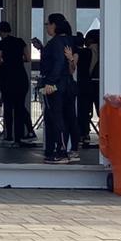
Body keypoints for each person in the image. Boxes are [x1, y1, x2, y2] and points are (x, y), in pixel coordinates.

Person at [37, 15, 75, 164]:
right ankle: (58, 149)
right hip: (66, 83)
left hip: (55, 84)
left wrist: (50, 82)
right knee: (62, 116)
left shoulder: (55, 42)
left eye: (48, 24)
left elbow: (58, 63)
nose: (47, 27)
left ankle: (61, 150)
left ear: (54, 25)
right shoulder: (68, 41)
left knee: (55, 116)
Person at [0, 22, 32, 145]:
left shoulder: (1, 44)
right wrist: (17, 59)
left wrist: (6, 61)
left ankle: (9, 135)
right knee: (20, 107)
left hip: (8, 79)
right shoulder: (20, 42)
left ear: (0, 31)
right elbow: (27, 58)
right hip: (21, 77)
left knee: (8, 108)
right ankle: (20, 136)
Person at [77, 30, 100, 147]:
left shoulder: (84, 52)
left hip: (85, 85)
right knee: (102, 110)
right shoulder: (105, 51)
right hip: (100, 85)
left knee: (84, 110)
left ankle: (84, 134)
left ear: (91, 39)